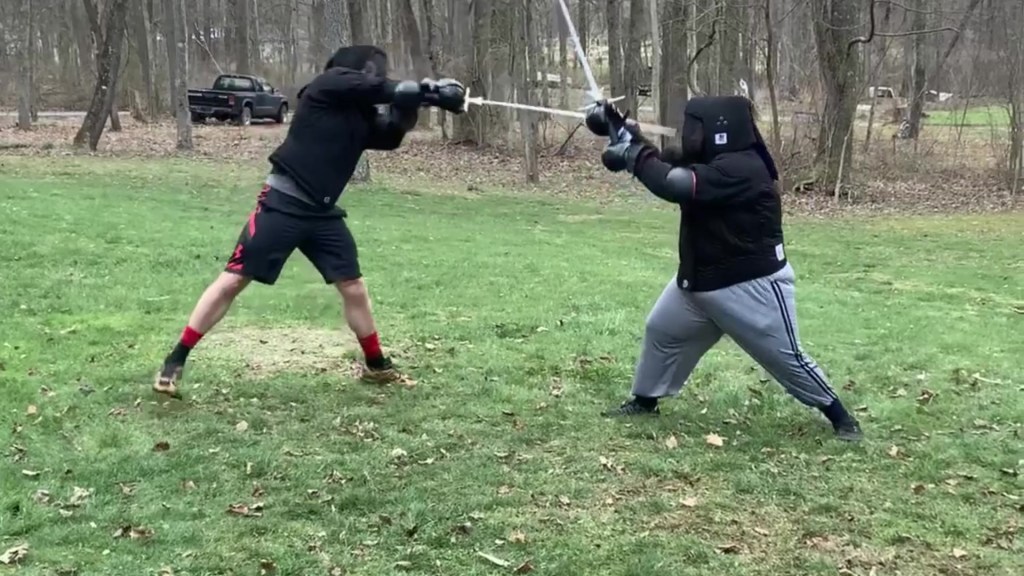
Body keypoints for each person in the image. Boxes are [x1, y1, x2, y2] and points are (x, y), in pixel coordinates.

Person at [153, 45, 466, 398]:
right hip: (282, 203)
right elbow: (383, 88)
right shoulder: (326, 86)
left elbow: (390, 135)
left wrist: (415, 105)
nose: (377, 76)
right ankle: (175, 360)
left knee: (353, 287)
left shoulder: (361, 117)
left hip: (322, 214)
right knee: (235, 279)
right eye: (373, 71)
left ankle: (376, 366)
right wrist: (427, 90)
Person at [585, 96, 863, 442]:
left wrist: (631, 154)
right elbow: (663, 166)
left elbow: (672, 183)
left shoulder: (743, 167)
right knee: (663, 330)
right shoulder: (712, 161)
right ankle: (645, 402)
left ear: (719, 129)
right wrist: (626, 133)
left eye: (695, 127)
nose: (690, 134)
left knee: (786, 358)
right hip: (700, 282)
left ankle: (841, 417)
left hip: (750, 286)